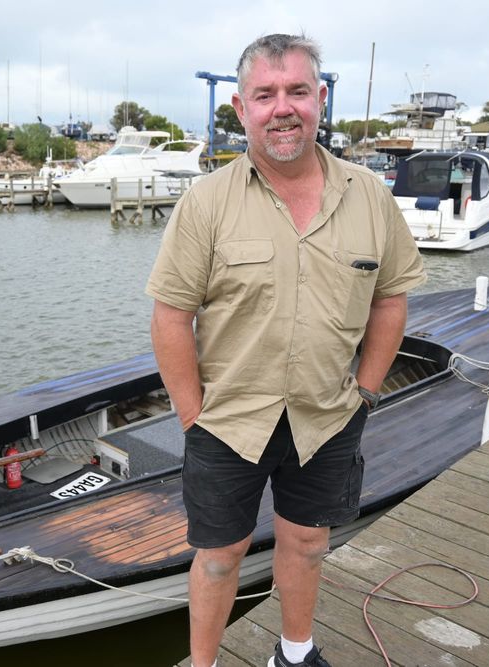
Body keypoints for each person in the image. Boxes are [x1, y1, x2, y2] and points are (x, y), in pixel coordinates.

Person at [146, 33, 426, 667]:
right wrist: (192, 416)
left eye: (298, 91)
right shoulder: (206, 202)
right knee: (218, 559)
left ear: (320, 100)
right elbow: (171, 315)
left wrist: (367, 392)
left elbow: (390, 299)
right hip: (226, 422)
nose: (283, 107)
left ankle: (294, 653)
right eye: (265, 94)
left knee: (306, 544)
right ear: (241, 109)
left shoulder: (371, 197)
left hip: (328, 415)